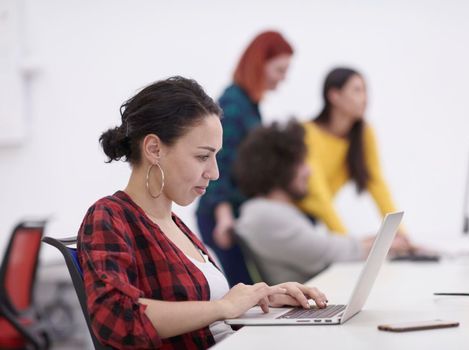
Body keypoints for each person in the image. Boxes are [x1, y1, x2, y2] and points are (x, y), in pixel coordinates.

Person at [77, 76, 327, 349]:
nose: (215, 172)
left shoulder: (175, 224)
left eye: (216, 156)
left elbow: (205, 317)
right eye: (202, 157)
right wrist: (224, 307)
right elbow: (115, 317)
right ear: (154, 149)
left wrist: (259, 299)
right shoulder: (110, 217)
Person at [196, 30, 294, 286]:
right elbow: (220, 163)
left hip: (235, 215)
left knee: (252, 288)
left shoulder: (250, 105)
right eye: (280, 70)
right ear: (259, 64)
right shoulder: (233, 104)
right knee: (244, 289)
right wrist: (224, 217)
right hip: (221, 217)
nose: (283, 79)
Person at [234, 121, 383, 285]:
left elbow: (328, 248)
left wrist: (379, 241)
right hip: (311, 301)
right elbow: (327, 253)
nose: (309, 171)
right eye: (301, 163)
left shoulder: (271, 211)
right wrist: (383, 244)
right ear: (280, 166)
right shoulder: (264, 214)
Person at [297, 67, 413, 250]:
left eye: (365, 90)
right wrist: (349, 246)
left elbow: (376, 183)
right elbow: (318, 194)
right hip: (291, 218)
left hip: (312, 221)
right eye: (357, 90)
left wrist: (402, 235)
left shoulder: (364, 134)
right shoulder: (308, 133)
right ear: (334, 95)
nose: (365, 98)